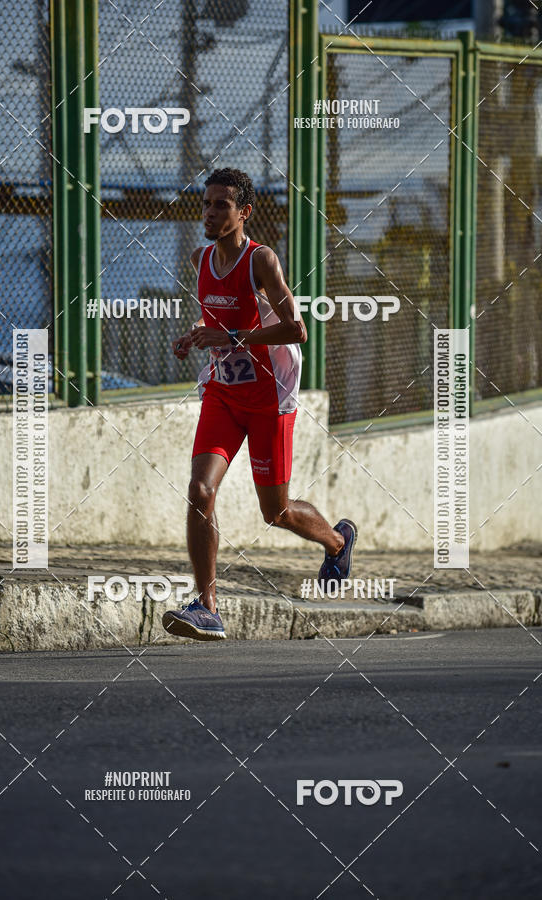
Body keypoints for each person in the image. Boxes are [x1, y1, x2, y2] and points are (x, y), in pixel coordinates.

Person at [162, 168, 356, 641]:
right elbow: (218, 315)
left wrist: (227, 335)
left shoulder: (260, 261)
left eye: (221, 205)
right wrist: (196, 334)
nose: (209, 213)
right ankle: (207, 606)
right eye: (206, 204)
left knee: (276, 511)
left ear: (244, 212)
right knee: (200, 490)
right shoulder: (199, 259)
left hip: (271, 398)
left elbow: (296, 329)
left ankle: (336, 540)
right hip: (224, 394)